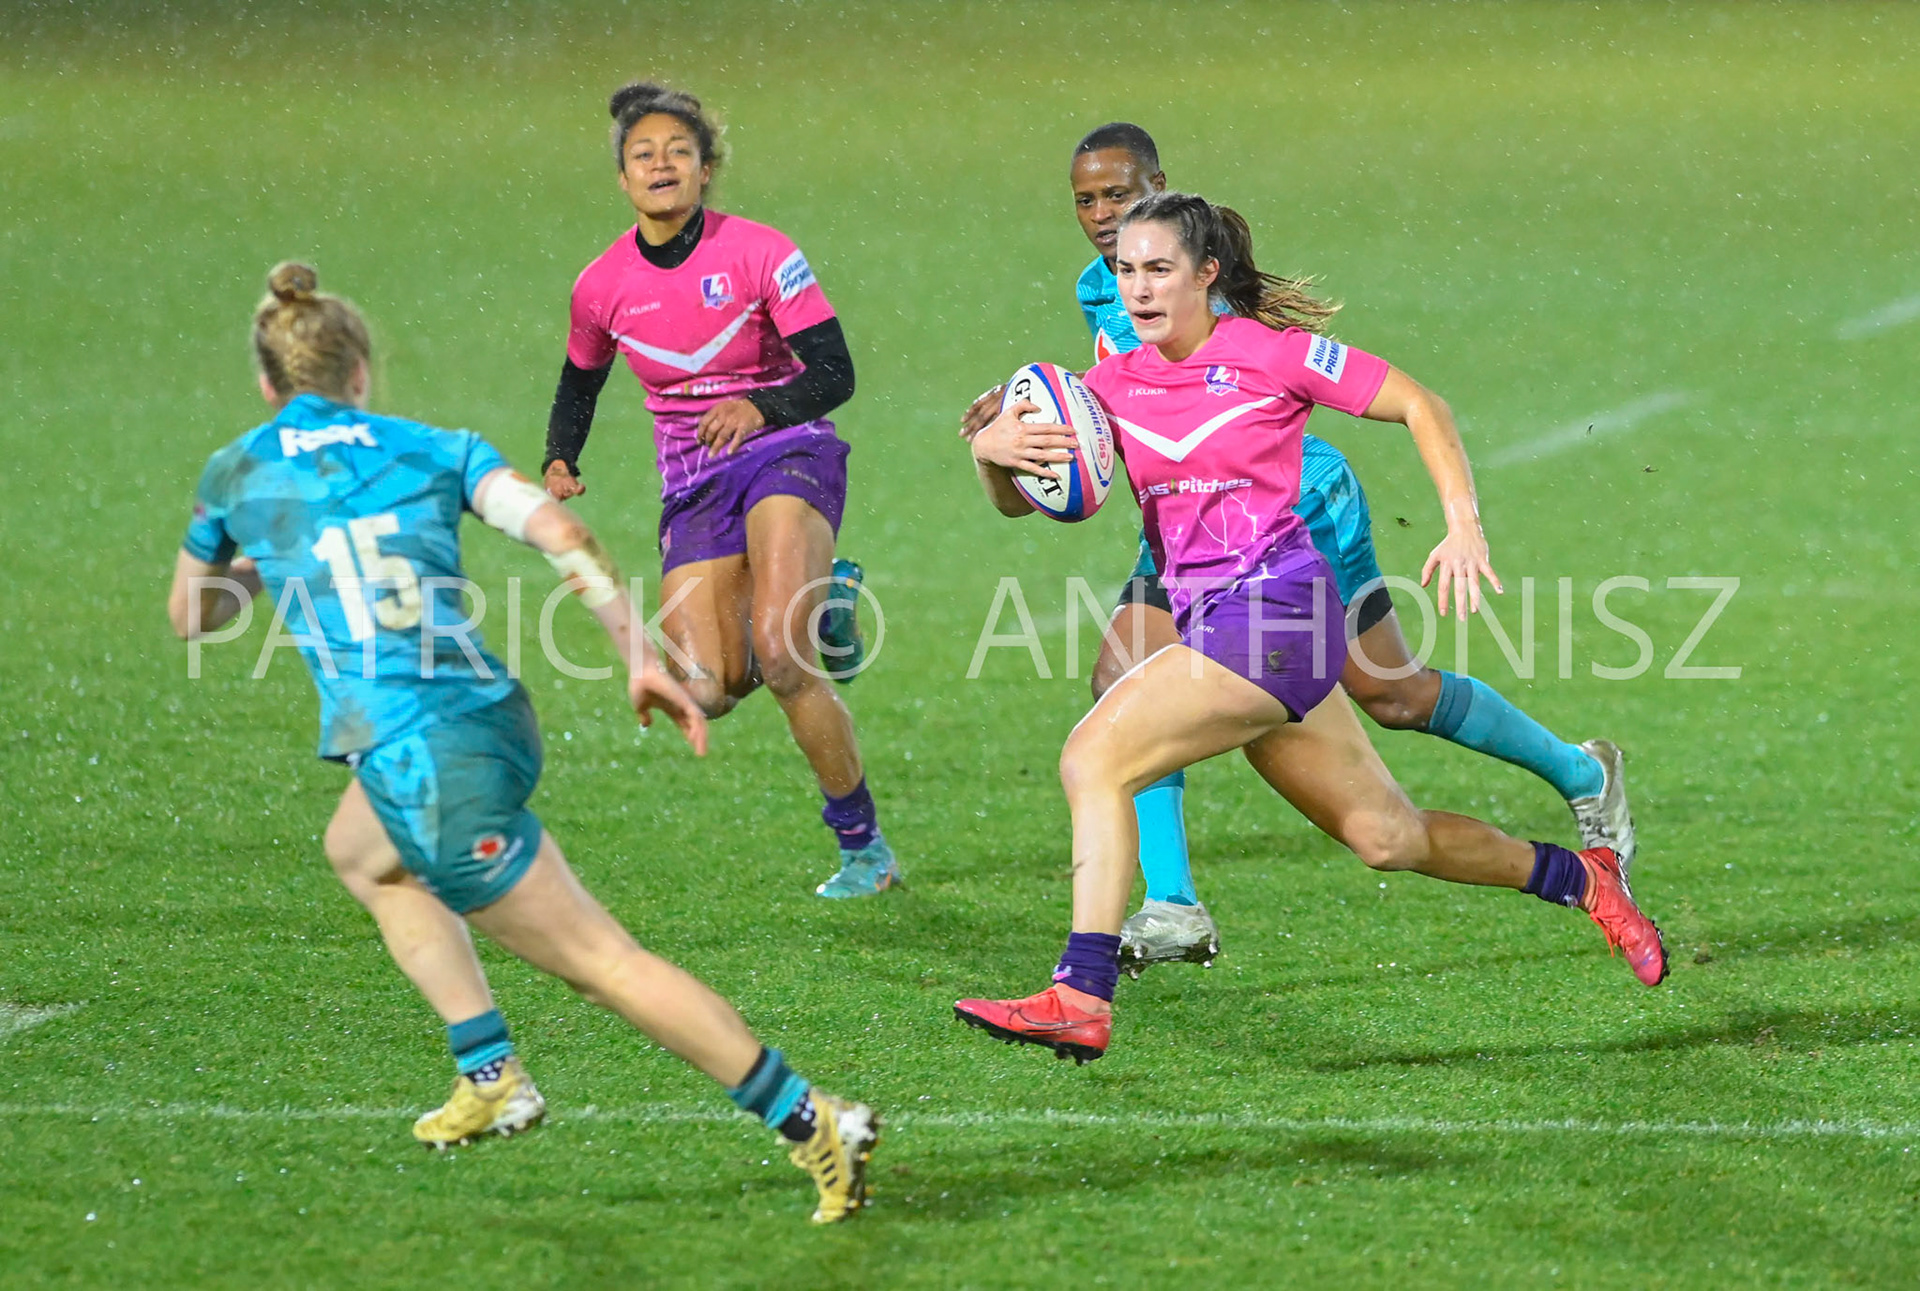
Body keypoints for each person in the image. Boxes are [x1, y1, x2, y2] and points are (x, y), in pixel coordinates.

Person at [168, 262, 878, 1223]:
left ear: (267, 384)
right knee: (362, 853)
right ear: (362, 373)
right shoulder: (434, 449)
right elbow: (562, 533)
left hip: (422, 759)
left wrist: (262, 562)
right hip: (492, 717)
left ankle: (811, 1118)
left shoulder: (237, 472)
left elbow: (191, 613)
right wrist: (636, 653)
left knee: (604, 962)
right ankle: (489, 1066)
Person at [954, 195, 1667, 1063]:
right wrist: (992, 456)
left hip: (1277, 615)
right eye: (1125, 271)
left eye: (1158, 269)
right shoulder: (1104, 391)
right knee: (1387, 838)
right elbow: (1046, 503)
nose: (1137, 289)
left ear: (1206, 274)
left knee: (1091, 756)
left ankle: (1080, 991)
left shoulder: (1269, 356)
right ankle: (1580, 878)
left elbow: (1419, 402)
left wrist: (1462, 522)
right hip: (1226, 630)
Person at [543, 81, 897, 898]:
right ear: (624, 180)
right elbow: (579, 381)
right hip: (693, 481)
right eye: (643, 155)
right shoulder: (601, 286)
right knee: (705, 689)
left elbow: (836, 371)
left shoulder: (762, 252)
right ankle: (825, 595)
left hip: (786, 449)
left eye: (678, 151)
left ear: (706, 169)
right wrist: (560, 455)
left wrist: (761, 405)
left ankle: (863, 848)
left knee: (781, 658)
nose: (661, 164)